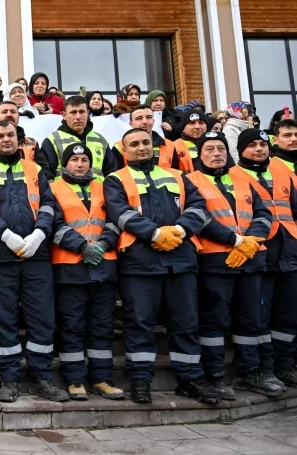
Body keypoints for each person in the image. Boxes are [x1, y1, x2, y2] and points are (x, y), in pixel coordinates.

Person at [104, 128, 217, 404]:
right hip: (139, 263)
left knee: (186, 323)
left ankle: (189, 379)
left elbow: (198, 208)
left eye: (145, 142)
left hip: (180, 260)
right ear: (124, 149)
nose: (141, 148)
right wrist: (154, 234)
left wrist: (179, 230)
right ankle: (140, 380)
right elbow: (120, 213)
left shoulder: (178, 176)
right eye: (134, 144)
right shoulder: (115, 179)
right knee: (139, 323)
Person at [0, 121, 68, 403]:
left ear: (19, 139)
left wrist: (39, 234)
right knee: (4, 318)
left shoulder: (35, 170)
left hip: (36, 255)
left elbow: (49, 205)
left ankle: (42, 377)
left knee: (42, 317)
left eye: (10, 135)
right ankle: (10, 378)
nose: (6, 139)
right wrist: (6, 235)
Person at [185, 131, 281, 399]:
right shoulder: (191, 180)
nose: (217, 154)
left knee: (252, 319)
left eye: (221, 149)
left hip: (250, 259)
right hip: (214, 261)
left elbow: (263, 212)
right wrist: (234, 239)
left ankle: (249, 372)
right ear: (200, 155)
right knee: (214, 320)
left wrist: (252, 239)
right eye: (210, 149)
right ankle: (214, 374)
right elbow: (199, 218)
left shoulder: (243, 177)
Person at [49, 142, 125, 401]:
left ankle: (102, 379)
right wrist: (82, 246)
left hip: (104, 266)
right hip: (70, 268)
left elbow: (116, 219)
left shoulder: (104, 186)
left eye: (84, 160)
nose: (80, 164)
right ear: (64, 164)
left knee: (102, 326)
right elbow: (54, 224)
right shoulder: (53, 188)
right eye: (74, 160)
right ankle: (75, 379)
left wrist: (104, 244)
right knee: (72, 326)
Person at [258, 120, 297, 389]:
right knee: (287, 310)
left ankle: (296, 360)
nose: (293, 139)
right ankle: (287, 362)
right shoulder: (272, 168)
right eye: (287, 135)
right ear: (275, 139)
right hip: (279, 248)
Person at [42, 95, 116, 180]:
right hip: (65, 192)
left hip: (98, 192)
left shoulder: (101, 140)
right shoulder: (52, 140)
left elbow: (112, 174)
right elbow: (47, 177)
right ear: (64, 115)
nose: (78, 117)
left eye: (82, 112)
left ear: (88, 113)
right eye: (73, 112)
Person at [0, 101, 47, 169]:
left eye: (13, 112)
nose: (9, 114)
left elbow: (45, 173)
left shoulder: (32, 143)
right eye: (4, 112)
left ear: (18, 118)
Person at [111, 105, 177, 169]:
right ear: (131, 124)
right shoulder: (119, 147)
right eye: (139, 118)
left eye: (148, 117)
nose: (145, 122)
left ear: (153, 121)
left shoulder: (170, 145)